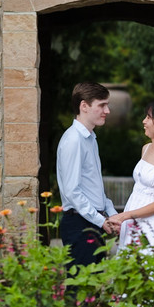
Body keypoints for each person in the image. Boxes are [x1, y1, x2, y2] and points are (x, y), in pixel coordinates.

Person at [104, 99, 154, 260]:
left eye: (149, 117)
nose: (144, 121)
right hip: (133, 213)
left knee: (149, 270)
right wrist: (127, 217)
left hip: (152, 221)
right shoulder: (146, 148)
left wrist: (124, 216)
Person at [56, 81, 117, 268]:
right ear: (84, 106)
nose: (107, 111)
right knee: (80, 290)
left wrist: (111, 214)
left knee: (93, 291)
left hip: (91, 222)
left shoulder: (90, 139)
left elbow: (94, 186)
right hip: (79, 224)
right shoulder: (74, 140)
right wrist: (100, 220)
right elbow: (72, 191)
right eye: (102, 105)